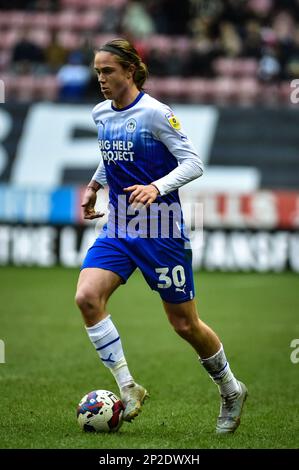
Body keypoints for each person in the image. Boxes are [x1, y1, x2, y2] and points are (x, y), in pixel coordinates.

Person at [75, 38, 248, 433]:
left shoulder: (156, 114)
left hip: (161, 230)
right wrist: (94, 185)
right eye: (97, 71)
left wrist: (157, 187)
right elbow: (112, 153)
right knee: (87, 297)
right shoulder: (101, 113)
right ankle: (128, 386)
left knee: (185, 325)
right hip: (119, 226)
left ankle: (230, 388)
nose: (100, 79)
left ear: (130, 72)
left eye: (108, 71)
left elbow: (193, 163)